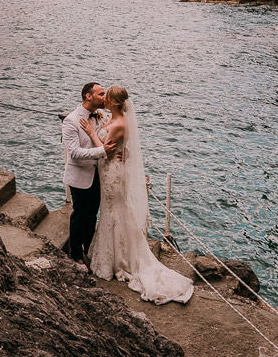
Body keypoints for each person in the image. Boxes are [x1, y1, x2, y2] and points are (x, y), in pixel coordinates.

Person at [79, 86, 194, 305]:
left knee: (115, 210)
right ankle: (112, 252)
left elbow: (104, 149)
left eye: (107, 97)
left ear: (113, 102)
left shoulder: (120, 123)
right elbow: (122, 148)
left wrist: (92, 133)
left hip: (113, 173)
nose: (104, 100)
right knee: (111, 210)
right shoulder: (113, 119)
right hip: (109, 170)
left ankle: (118, 259)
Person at [62, 82, 121, 268]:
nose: (105, 97)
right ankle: (76, 254)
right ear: (89, 96)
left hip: (100, 175)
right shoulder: (71, 120)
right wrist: (102, 151)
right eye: (101, 94)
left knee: (93, 215)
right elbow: (75, 152)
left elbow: (109, 134)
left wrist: (120, 151)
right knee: (79, 215)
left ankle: (90, 249)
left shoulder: (101, 116)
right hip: (80, 176)